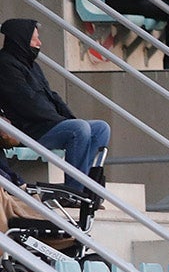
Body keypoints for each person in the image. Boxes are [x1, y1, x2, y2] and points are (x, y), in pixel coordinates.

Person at [0, 19, 110, 193]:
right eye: (34, 39)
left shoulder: (31, 65)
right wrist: (60, 121)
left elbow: (52, 96)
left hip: (47, 124)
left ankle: (87, 189)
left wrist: (68, 118)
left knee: (100, 128)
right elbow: (27, 103)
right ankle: (73, 193)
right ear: (20, 40)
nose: (39, 43)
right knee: (78, 129)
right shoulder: (5, 65)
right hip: (28, 130)